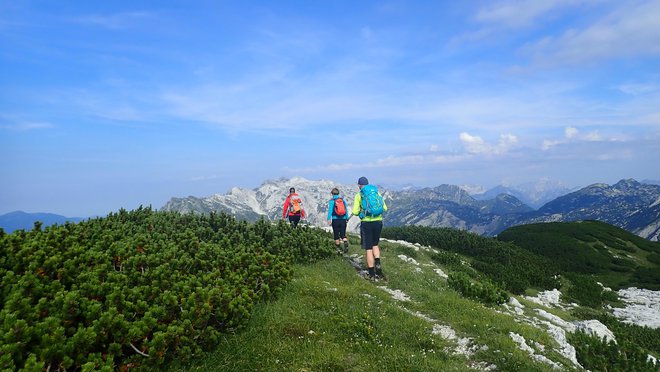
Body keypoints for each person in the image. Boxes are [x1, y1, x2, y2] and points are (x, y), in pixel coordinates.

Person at [352, 176, 387, 280]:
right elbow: (384, 207)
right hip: (378, 221)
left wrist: (361, 213)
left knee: (368, 248)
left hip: (367, 223)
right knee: (375, 244)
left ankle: (371, 273)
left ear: (359, 185)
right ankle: (378, 265)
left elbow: (354, 211)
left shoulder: (359, 195)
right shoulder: (376, 193)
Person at [327, 187, 350, 253]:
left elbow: (330, 211)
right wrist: (346, 218)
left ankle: (338, 249)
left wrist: (329, 219)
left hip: (335, 220)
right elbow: (346, 210)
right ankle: (345, 241)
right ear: (338, 193)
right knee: (343, 234)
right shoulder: (342, 201)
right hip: (343, 220)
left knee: (336, 235)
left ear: (332, 194)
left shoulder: (332, 201)